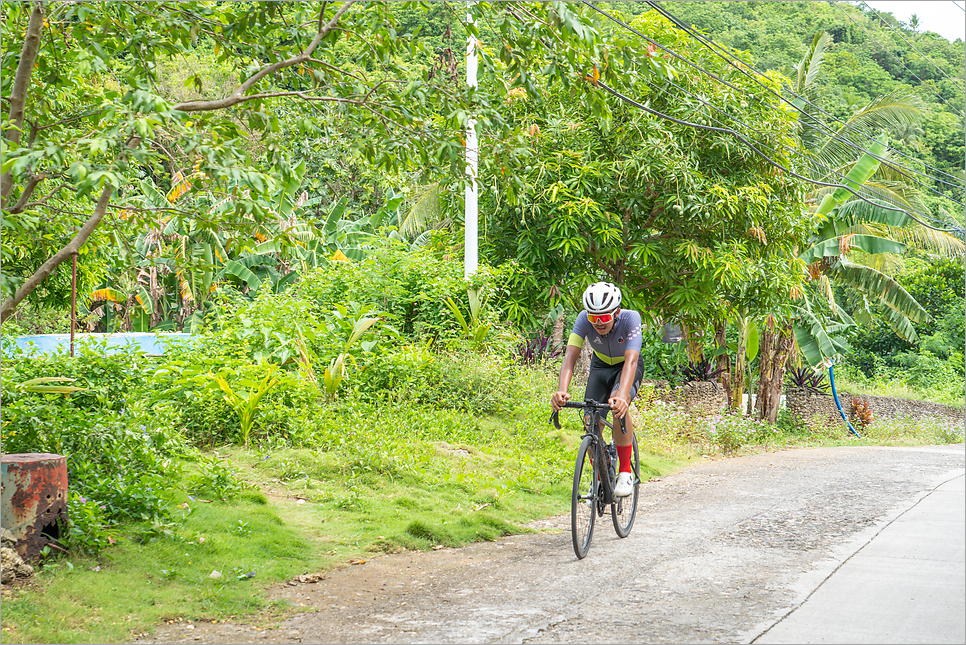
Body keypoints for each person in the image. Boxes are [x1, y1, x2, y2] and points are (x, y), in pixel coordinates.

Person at [550, 282, 644, 497]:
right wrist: (561, 391)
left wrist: (622, 397)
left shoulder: (631, 318)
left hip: (626, 366)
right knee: (590, 420)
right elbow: (569, 357)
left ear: (617, 312)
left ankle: (624, 472)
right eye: (593, 317)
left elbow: (631, 361)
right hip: (600, 366)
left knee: (618, 406)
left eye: (604, 317)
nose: (598, 323)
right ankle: (599, 478)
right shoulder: (583, 319)